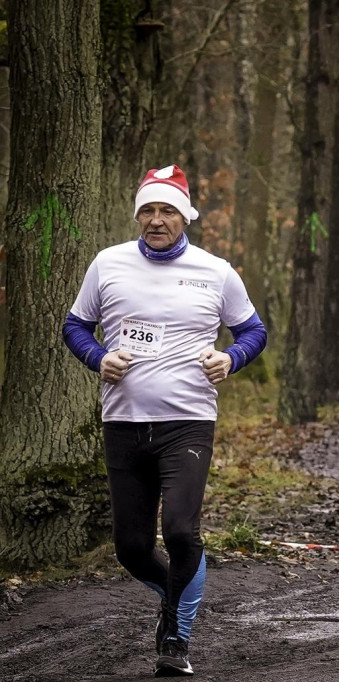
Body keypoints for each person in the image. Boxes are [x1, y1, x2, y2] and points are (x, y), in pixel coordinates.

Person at [61, 165, 267, 677]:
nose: (156, 220)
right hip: (123, 422)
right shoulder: (107, 264)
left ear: (185, 217)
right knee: (131, 548)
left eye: (167, 211)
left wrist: (232, 358)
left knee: (179, 530)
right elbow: (75, 326)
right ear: (137, 215)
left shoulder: (216, 271)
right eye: (147, 211)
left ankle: (176, 637)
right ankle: (177, 596)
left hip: (189, 420)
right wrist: (97, 358)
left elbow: (253, 331)